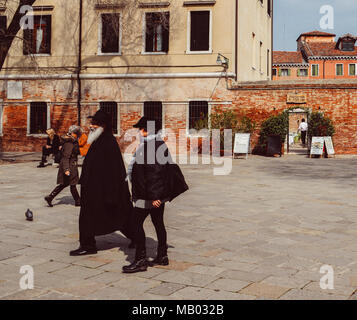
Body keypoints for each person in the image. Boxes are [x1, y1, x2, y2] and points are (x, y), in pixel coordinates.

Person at [122, 117, 189, 274]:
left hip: (148, 195)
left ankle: (140, 260)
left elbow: (155, 174)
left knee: (135, 223)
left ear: (146, 130)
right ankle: (162, 255)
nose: (138, 132)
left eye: (140, 129)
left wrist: (155, 197)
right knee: (158, 222)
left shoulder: (150, 147)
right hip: (154, 193)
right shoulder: (156, 144)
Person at [69, 110, 134, 256]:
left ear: (103, 126)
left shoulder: (108, 142)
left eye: (94, 124)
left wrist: (112, 192)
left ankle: (136, 238)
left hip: (103, 190)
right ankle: (88, 244)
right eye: (91, 123)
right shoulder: (98, 140)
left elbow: (114, 170)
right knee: (94, 216)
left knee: (121, 215)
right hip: (93, 188)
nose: (90, 126)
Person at [44, 129, 80, 207]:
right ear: (74, 134)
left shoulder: (72, 141)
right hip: (69, 166)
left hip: (71, 165)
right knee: (71, 184)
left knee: (65, 184)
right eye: (77, 134)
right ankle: (78, 201)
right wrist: (66, 169)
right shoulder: (69, 143)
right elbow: (66, 157)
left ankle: (50, 197)